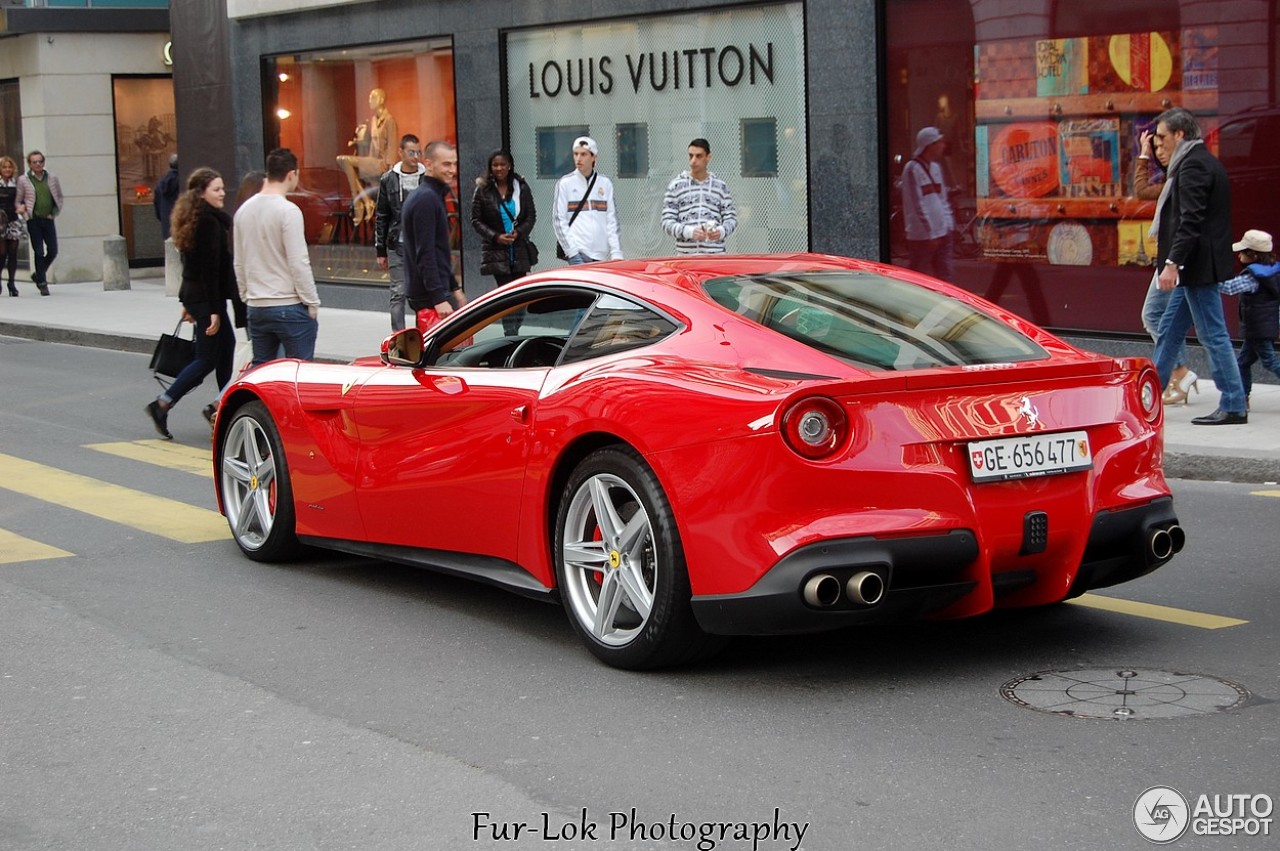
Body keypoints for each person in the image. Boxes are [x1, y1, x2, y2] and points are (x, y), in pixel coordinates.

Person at [1149, 107, 1247, 425]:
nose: (1157, 145)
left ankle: (1233, 402)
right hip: (1196, 267)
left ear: (1180, 135)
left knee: (1212, 334)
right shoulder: (1200, 162)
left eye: (1162, 138)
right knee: (1168, 330)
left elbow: (1190, 221)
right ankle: (1149, 397)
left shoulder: (1193, 167)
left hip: (1196, 267)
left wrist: (1172, 263)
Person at [145, 168, 245, 439]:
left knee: (226, 350)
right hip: (206, 298)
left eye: (223, 188)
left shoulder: (196, 217)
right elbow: (209, 271)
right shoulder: (209, 222)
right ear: (202, 193)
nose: (222, 193)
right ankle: (163, 403)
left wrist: (192, 303)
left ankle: (222, 410)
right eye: (216, 189)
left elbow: (192, 265)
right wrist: (213, 311)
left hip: (199, 297)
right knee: (206, 359)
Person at [233, 148, 321, 367]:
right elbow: (298, 261)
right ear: (291, 174)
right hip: (287, 303)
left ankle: (256, 404)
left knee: (261, 370)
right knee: (298, 372)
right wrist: (311, 302)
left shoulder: (243, 211)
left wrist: (246, 295)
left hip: (257, 304)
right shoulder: (288, 210)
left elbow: (239, 262)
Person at [1135, 129, 1197, 405]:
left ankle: (1181, 371)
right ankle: (1181, 372)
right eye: (1155, 146)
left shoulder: (1184, 177)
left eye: (1161, 145)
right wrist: (1144, 154)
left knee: (1154, 315)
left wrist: (1173, 262)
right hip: (1170, 257)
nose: (1159, 151)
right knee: (1164, 318)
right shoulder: (1172, 177)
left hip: (1176, 259)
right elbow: (1141, 190)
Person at [401, 140, 466, 332]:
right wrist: (439, 298)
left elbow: (439, 251)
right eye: (446, 164)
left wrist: (455, 288)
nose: (452, 170)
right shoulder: (426, 198)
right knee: (437, 355)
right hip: (429, 296)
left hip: (433, 292)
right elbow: (425, 253)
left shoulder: (430, 195)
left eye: (454, 164)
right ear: (429, 164)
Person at [1217, 229, 1280, 407]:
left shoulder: (1254, 276)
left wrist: (1210, 279)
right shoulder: (1271, 272)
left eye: (1242, 252)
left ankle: (1242, 397)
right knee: (1243, 363)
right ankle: (1242, 397)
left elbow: (1229, 288)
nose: (1239, 256)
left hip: (1258, 329)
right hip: (1261, 327)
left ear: (1253, 255)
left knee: (1270, 362)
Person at [375, 134, 426, 331]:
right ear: (401, 152)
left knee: (422, 295)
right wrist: (380, 250)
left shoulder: (426, 176)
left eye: (418, 152)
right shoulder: (388, 179)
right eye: (411, 152)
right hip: (397, 243)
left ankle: (424, 336)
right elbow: (382, 215)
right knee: (398, 293)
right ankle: (399, 338)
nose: (415, 156)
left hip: (422, 245)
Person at [470, 149, 538, 292]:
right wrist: (496, 236)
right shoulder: (483, 190)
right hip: (496, 252)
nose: (499, 168)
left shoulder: (521, 187)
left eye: (503, 164)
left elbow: (530, 216)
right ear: (490, 167)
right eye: (495, 165)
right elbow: (476, 220)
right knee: (505, 294)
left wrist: (519, 233)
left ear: (510, 166)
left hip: (519, 250)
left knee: (521, 295)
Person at [552, 136, 622, 264]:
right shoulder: (565, 183)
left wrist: (616, 252)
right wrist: (572, 252)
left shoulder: (605, 183)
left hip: (601, 255)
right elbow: (559, 221)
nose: (578, 158)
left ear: (594, 157)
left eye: (583, 154)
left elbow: (611, 220)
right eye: (576, 154)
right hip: (578, 252)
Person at [661, 137, 737, 254]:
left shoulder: (720, 187)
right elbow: (666, 222)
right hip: (686, 258)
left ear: (708, 157)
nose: (693, 161)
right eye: (691, 156)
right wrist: (689, 232)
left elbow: (731, 218)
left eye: (699, 156)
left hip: (715, 257)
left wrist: (720, 231)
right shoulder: (676, 186)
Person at [900, 126, 955, 281]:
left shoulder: (936, 168)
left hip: (942, 231)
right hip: (922, 236)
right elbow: (917, 204)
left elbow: (942, 198)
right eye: (939, 142)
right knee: (918, 276)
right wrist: (930, 233)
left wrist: (948, 224)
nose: (943, 145)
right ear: (930, 145)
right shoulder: (912, 169)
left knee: (945, 276)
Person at [337, 88, 398, 226]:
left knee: (345, 161)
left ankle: (359, 203)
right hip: (372, 161)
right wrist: (356, 142)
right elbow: (369, 142)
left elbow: (392, 146)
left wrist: (390, 170)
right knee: (343, 161)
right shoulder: (373, 120)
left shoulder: (389, 120)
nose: (370, 101)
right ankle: (365, 200)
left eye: (373, 98)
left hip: (380, 164)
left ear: (381, 100)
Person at [15, 150, 62, 295]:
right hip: (33, 219)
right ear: (29, 164)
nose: (38, 164)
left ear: (44, 162)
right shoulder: (24, 179)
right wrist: (23, 210)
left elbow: (58, 197)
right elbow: (18, 199)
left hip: (47, 219)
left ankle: (38, 273)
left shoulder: (52, 178)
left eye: (40, 161)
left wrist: (53, 213)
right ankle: (42, 282)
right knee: (39, 251)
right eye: (34, 162)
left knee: (53, 250)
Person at [0, 156, 23, 297]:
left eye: (9, 167)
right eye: (4, 167)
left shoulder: (17, 183)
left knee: (13, 252)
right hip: (0, 222)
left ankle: (12, 282)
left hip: (14, 220)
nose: (7, 169)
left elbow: (23, 199)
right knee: (2, 253)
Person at [153, 154, 180, 240]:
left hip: (166, 221)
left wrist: (162, 217)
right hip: (181, 220)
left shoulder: (160, 183)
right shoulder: (182, 181)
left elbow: (156, 204)